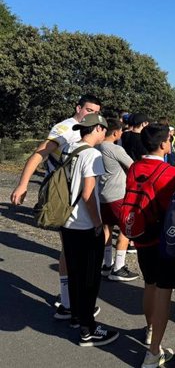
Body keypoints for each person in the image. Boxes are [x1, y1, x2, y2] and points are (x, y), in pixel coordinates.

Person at [9, 94, 102, 319]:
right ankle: (70, 303)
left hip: (75, 196)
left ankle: (70, 301)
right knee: (71, 252)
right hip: (63, 198)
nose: (92, 115)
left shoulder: (90, 130)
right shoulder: (65, 128)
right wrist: (23, 185)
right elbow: (40, 153)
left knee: (69, 251)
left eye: (96, 112)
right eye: (88, 110)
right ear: (78, 107)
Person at [126, 124, 175, 368]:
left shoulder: (134, 167)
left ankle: (150, 330)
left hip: (141, 235)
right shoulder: (172, 173)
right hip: (163, 240)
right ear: (163, 144)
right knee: (164, 291)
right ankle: (153, 353)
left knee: (149, 283)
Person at [60, 114, 120, 346]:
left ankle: (76, 316)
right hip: (85, 224)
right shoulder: (92, 155)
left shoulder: (69, 149)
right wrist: (97, 224)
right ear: (97, 128)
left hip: (66, 221)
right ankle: (88, 329)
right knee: (89, 279)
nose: (104, 133)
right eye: (103, 129)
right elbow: (88, 194)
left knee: (74, 272)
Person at [96, 118, 137, 282]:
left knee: (107, 227)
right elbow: (132, 165)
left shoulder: (96, 147)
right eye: (120, 131)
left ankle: (107, 264)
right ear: (115, 132)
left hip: (102, 193)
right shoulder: (114, 148)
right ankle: (119, 267)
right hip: (118, 194)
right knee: (126, 229)